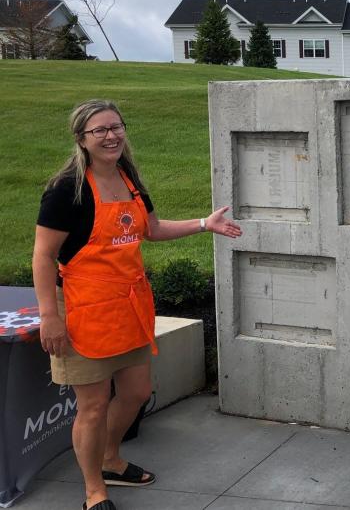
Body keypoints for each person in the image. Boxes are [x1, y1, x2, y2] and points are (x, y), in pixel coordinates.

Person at [32, 99, 241, 510]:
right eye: (99, 131)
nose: (111, 136)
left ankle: (110, 458)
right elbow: (42, 255)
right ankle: (94, 490)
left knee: (136, 392)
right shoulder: (66, 189)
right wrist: (48, 315)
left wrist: (204, 224)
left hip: (127, 305)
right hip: (81, 307)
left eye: (116, 127)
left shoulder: (128, 178)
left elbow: (153, 228)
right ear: (82, 139)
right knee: (91, 407)